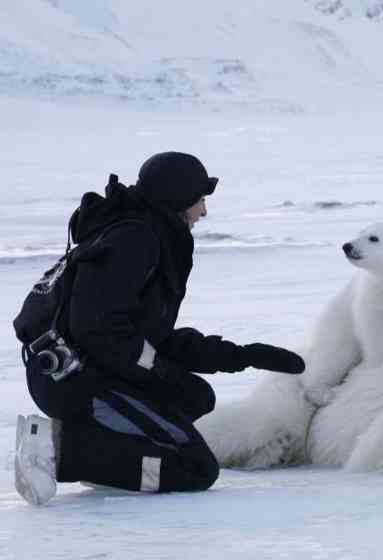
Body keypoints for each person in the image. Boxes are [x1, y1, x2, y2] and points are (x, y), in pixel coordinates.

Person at [14, 152, 306, 506]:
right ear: (178, 197)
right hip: (73, 380)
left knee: (193, 396)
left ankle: (109, 461)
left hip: (83, 370)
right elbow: (97, 329)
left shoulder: (149, 234)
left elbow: (151, 336)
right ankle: (59, 449)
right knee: (195, 468)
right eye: (200, 200)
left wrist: (239, 355)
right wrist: (160, 371)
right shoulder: (134, 241)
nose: (204, 211)